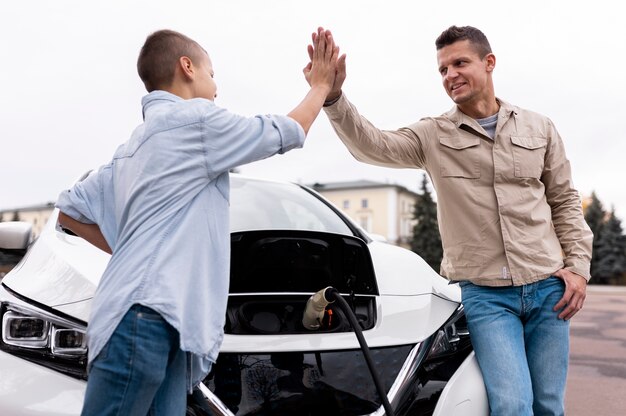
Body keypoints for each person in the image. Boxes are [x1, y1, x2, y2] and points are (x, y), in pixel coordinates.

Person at [310, 25, 593, 415]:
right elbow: (372, 145)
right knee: (512, 404)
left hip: (548, 290)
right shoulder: (433, 135)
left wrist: (578, 268)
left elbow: (564, 200)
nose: (450, 75)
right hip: (488, 296)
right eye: (442, 69)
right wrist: (334, 97)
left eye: (460, 63)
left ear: (489, 63)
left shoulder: (539, 127)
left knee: (548, 404)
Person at [56, 28, 339, 416]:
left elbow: (70, 210)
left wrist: (131, 249)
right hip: (145, 317)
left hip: (161, 320)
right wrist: (321, 86)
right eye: (212, 73)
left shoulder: (130, 151)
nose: (217, 87)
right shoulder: (194, 122)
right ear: (186, 67)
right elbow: (285, 132)